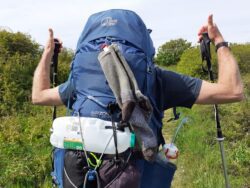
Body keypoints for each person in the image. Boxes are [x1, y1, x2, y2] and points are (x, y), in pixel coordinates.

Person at [32, 13, 243, 187]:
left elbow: (39, 96)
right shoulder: (159, 79)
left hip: (77, 175)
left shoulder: (79, 80)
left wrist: (48, 53)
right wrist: (219, 42)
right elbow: (232, 91)